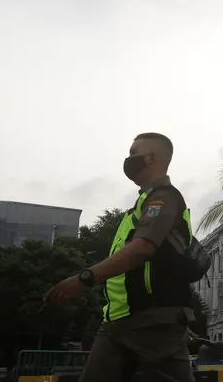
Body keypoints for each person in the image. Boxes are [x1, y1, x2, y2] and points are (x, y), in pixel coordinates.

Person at [44, 132, 196, 382]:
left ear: (150, 158)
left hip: (152, 321)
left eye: (133, 153)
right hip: (119, 320)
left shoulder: (164, 198)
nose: (128, 159)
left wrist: (83, 279)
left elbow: (141, 249)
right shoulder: (140, 206)